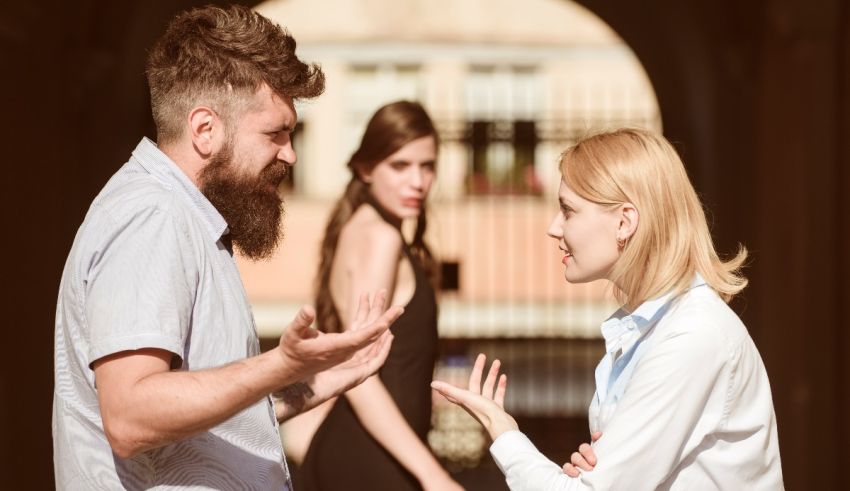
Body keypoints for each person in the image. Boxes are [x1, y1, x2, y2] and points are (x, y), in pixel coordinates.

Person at [52, 6, 403, 490]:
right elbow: (131, 415)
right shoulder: (154, 217)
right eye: (275, 133)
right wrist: (280, 363)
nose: (290, 153)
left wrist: (322, 378)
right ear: (204, 130)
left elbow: (211, 417)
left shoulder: (185, 216)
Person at [431, 128, 784, 490]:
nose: (554, 228)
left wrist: (503, 431)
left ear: (624, 222)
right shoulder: (648, 329)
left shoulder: (691, 335)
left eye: (568, 210)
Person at [298, 101, 462, 491]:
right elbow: (360, 374)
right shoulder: (380, 238)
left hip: (371, 453)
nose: (418, 182)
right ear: (366, 168)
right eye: (400, 165)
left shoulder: (360, 226)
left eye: (428, 166)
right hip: (371, 460)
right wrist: (432, 475)